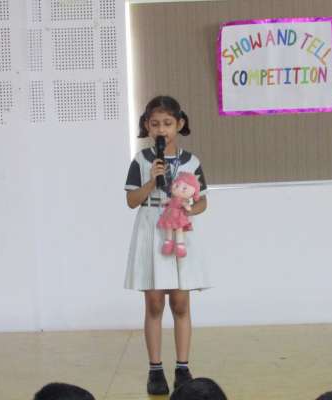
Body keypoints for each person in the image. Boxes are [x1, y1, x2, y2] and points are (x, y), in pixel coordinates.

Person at [124, 95, 210, 395]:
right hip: (151, 226)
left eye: (168, 123)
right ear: (147, 126)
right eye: (155, 123)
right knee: (154, 302)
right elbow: (131, 200)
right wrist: (152, 181)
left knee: (180, 303)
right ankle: (155, 369)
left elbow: (203, 201)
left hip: (179, 230)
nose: (162, 129)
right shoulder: (141, 160)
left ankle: (183, 368)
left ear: (180, 124)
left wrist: (187, 209)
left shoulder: (191, 161)